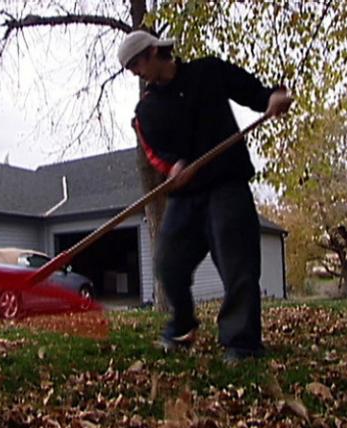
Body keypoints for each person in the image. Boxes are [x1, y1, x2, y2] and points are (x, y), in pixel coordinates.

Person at [117, 30, 292, 363]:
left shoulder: (207, 72)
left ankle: (242, 344)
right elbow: (155, 154)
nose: (135, 72)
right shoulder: (146, 111)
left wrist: (272, 98)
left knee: (238, 264)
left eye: (137, 63)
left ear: (154, 51)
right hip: (186, 195)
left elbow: (252, 91)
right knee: (167, 263)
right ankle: (182, 326)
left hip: (227, 184)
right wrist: (172, 168)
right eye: (130, 68)